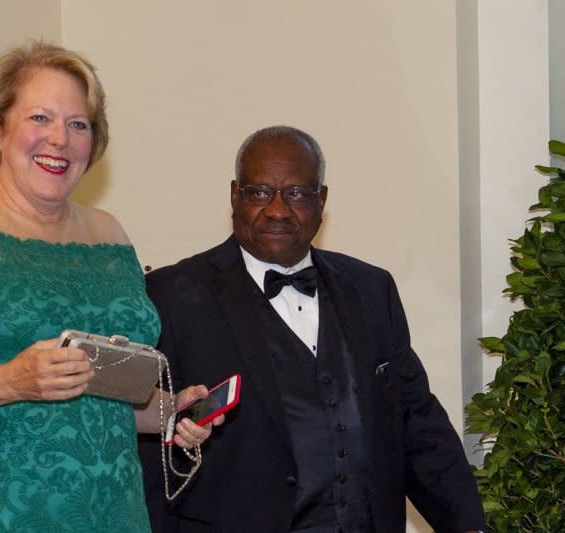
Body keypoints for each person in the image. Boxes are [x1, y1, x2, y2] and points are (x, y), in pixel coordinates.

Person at [0, 41, 218, 533]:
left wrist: (173, 413)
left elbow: (102, 392)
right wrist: (14, 380)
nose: (59, 138)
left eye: (77, 124)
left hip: (110, 512)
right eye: (40, 118)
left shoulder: (109, 234)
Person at [139, 125, 487, 533]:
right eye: (259, 192)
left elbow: (417, 424)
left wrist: (468, 525)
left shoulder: (372, 290)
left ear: (322, 201)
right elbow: (150, 450)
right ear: (235, 196)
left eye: (297, 194)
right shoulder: (171, 295)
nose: (277, 210)